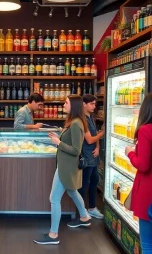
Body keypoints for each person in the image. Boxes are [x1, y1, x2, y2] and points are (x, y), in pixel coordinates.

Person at [34, 95, 91, 245]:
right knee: (72, 191)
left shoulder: (76, 124)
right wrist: (58, 138)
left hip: (66, 167)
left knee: (54, 199)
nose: (63, 104)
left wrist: (58, 142)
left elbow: (76, 150)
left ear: (74, 105)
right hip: (66, 165)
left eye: (66, 102)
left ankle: (53, 235)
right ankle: (84, 216)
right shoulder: (74, 122)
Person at [125, 93, 152, 254]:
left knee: (148, 243)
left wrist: (130, 153)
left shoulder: (145, 130)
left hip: (148, 192)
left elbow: (143, 165)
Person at [78, 94, 105, 219]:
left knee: (94, 180)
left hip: (93, 155)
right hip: (86, 155)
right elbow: (89, 140)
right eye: (92, 104)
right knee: (85, 183)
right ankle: (82, 210)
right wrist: (103, 133)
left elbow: (95, 134)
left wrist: (98, 147)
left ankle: (92, 207)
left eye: (95, 104)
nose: (94, 106)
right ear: (84, 104)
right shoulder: (82, 119)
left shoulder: (91, 117)